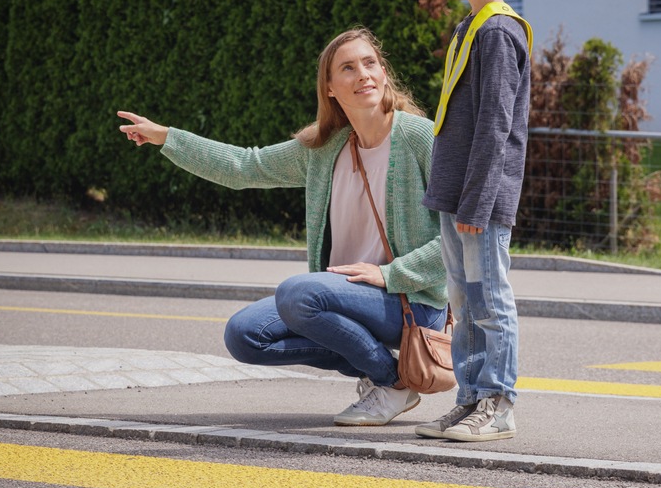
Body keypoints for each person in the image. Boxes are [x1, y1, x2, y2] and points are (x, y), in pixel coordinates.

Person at [117, 28, 447, 427]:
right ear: (329, 87)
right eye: (348, 67)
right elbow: (245, 166)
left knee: (297, 293)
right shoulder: (325, 148)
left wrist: (388, 273)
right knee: (243, 334)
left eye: (370, 63)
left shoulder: (419, 138)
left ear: (383, 73)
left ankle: (388, 384)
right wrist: (168, 138)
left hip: (411, 303)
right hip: (341, 298)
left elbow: (459, 232)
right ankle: (389, 376)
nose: (363, 74)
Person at [414, 0, 533, 442]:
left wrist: (476, 204)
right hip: (456, 197)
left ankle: (499, 403)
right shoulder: (469, 28)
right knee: (461, 302)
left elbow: (495, 127)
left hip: (477, 203)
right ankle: (469, 400)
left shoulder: (499, 33)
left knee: (490, 302)